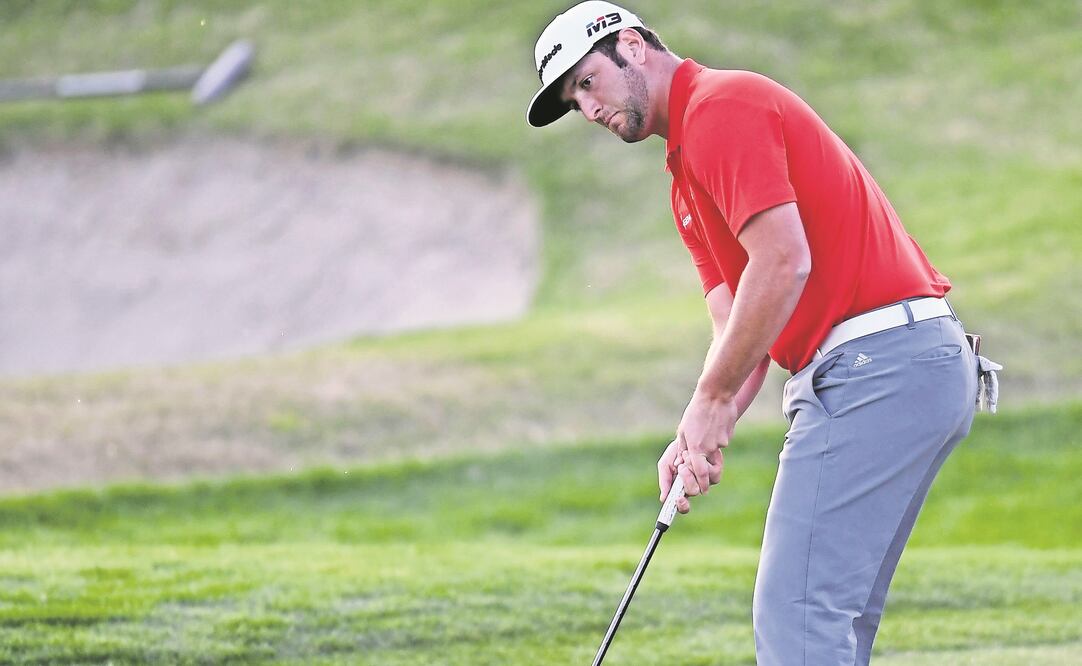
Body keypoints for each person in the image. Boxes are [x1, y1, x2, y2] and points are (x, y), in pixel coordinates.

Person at [526, 2, 1000, 664]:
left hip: (876, 365)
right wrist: (697, 432)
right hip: (898, 368)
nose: (587, 110)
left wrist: (714, 401)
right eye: (573, 101)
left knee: (798, 617)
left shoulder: (723, 106)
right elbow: (738, 326)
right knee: (830, 622)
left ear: (630, 47)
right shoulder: (685, 177)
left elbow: (784, 262)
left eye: (584, 83)